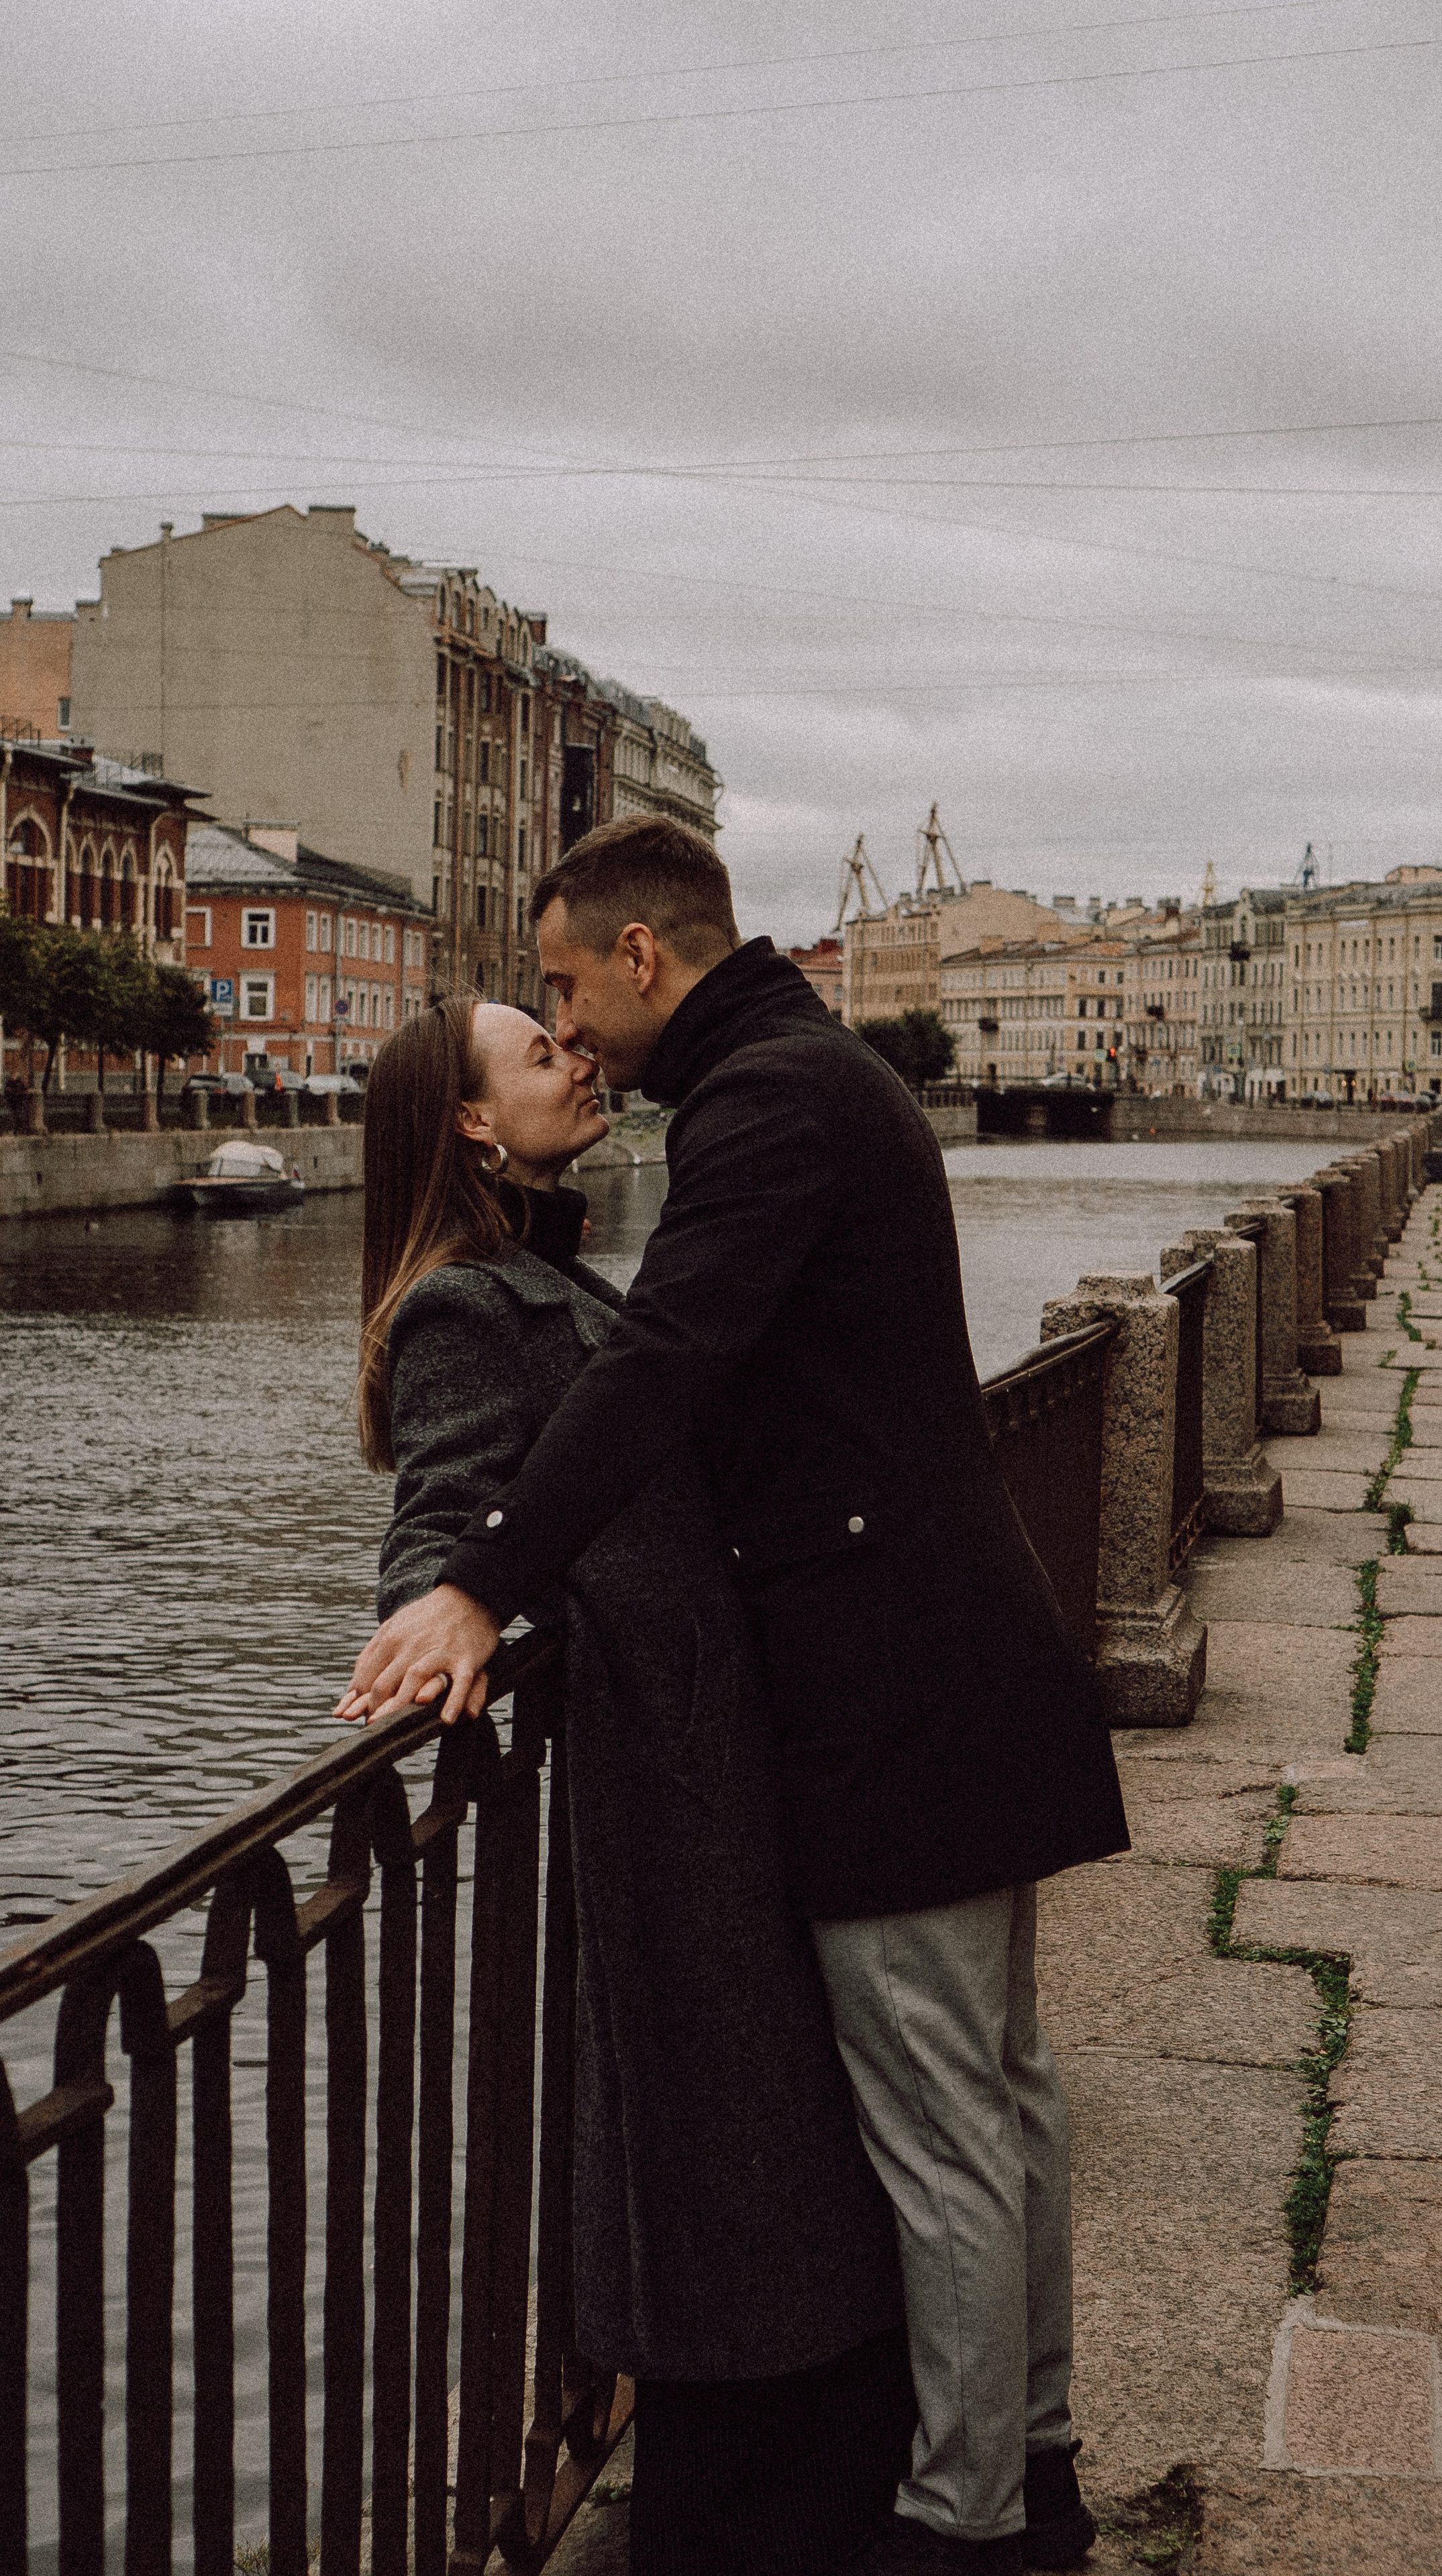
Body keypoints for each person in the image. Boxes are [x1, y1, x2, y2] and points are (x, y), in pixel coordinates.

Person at [340, 816, 1131, 2576]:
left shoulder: (764, 1098)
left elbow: (671, 1359)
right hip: (952, 1678)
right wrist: (458, 1574)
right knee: (1003, 2103)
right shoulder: (806, 1074)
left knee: (953, 2130)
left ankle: (970, 2523)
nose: (571, 1029)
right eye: (530, 1020)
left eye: (564, 989)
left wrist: (485, 1583)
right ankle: (1040, 2463)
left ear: (641, 958)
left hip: (892, 1706)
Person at [354, 993, 914, 2576]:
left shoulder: (547, 1265)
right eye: (538, 1055)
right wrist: (442, 1606)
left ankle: (786, 2479)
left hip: (714, 1748)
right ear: (468, 1122)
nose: (577, 1062)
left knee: (758, 2134)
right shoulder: (468, 1302)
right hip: (661, 1775)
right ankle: (744, 2503)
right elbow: (442, 1501)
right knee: (718, 2141)